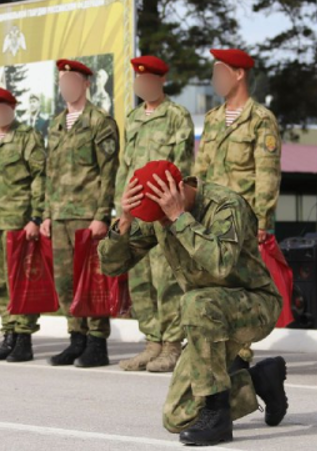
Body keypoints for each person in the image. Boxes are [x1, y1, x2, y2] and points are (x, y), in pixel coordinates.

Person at [99, 160, 288, 446]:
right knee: (177, 417)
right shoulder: (158, 215)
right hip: (204, 318)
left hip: (254, 306)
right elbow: (111, 265)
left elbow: (220, 264)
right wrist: (124, 220)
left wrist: (178, 218)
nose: (159, 223)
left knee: (197, 302)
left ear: (179, 190)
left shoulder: (225, 205)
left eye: (161, 216)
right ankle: (261, 381)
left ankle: (218, 416)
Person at [193, 48, 281, 371]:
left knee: (241, 290)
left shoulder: (261, 120)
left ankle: (239, 357)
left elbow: (267, 174)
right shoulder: (213, 119)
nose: (215, 79)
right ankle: (223, 353)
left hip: (243, 224)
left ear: (239, 74)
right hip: (212, 221)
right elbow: (200, 170)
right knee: (213, 287)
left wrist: (263, 220)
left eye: (220, 71)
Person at [115, 55, 194, 372]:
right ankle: (152, 343)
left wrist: (175, 209)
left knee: (167, 280)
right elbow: (125, 165)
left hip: (163, 211)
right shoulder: (133, 118)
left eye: (148, 80)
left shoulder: (177, 116)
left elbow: (184, 166)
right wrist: (121, 208)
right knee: (140, 280)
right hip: (135, 212)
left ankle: (173, 346)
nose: (142, 85)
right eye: (138, 80)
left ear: (161, 81)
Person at [41, 59, 119, 368]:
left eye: (71, 81)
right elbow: (51, 172)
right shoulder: (57, 123)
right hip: (59, 215)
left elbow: (108, 172)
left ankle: (97, 342)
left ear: (85, 83)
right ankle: (77, 339)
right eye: (61, 82)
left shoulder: (100, 121)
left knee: (93, 281)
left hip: (88, 215)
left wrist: (102, 214)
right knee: (66, 282)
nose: (65, 87)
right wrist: (47, 213)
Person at [0, 87, 47, 363]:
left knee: (20, 281)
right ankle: (8, 334)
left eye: (1, 109)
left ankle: (24, 336)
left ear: (11, 109)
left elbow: (39, 178)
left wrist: (35, 217)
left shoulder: (27, 137)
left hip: (18, 220)